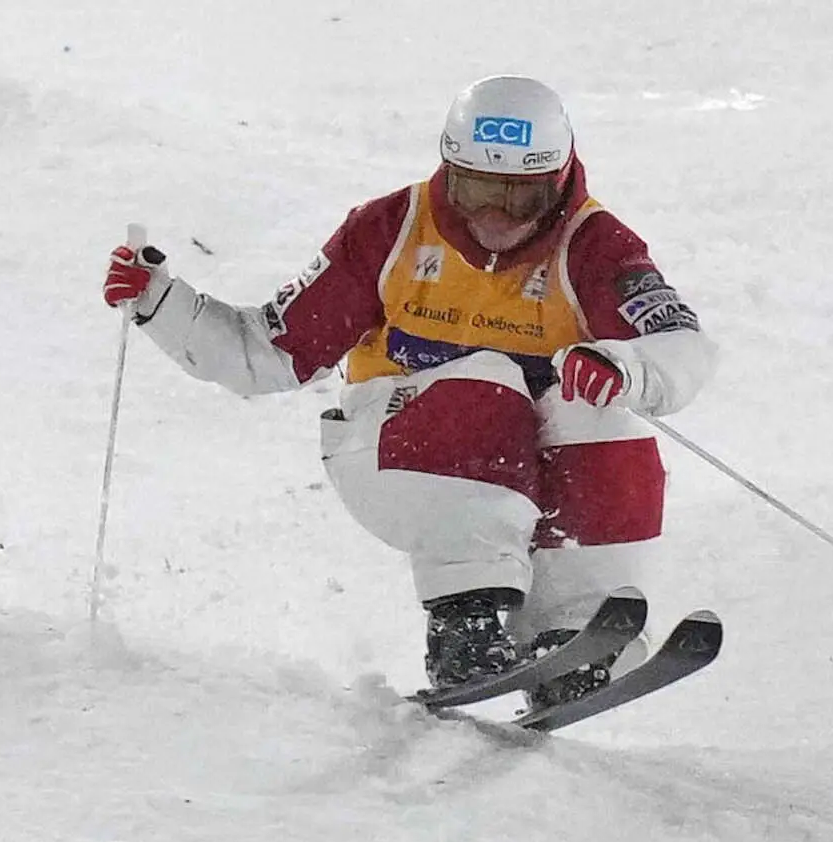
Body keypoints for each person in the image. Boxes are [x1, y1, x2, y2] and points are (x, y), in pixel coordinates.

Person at [102, 75, 716, 709]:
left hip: (528, 475)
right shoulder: (391, 229)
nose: (494, 219)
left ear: (558, 182)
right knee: (490, 381)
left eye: (521, 198)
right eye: (477, 191)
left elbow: (681, 343)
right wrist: (162, 303)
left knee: (604, 415)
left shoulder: (594, 245)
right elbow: (267, 353)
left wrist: (627, 366)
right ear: (449, 171)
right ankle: (463, 620)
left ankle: (573, 634)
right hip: (390, 450)